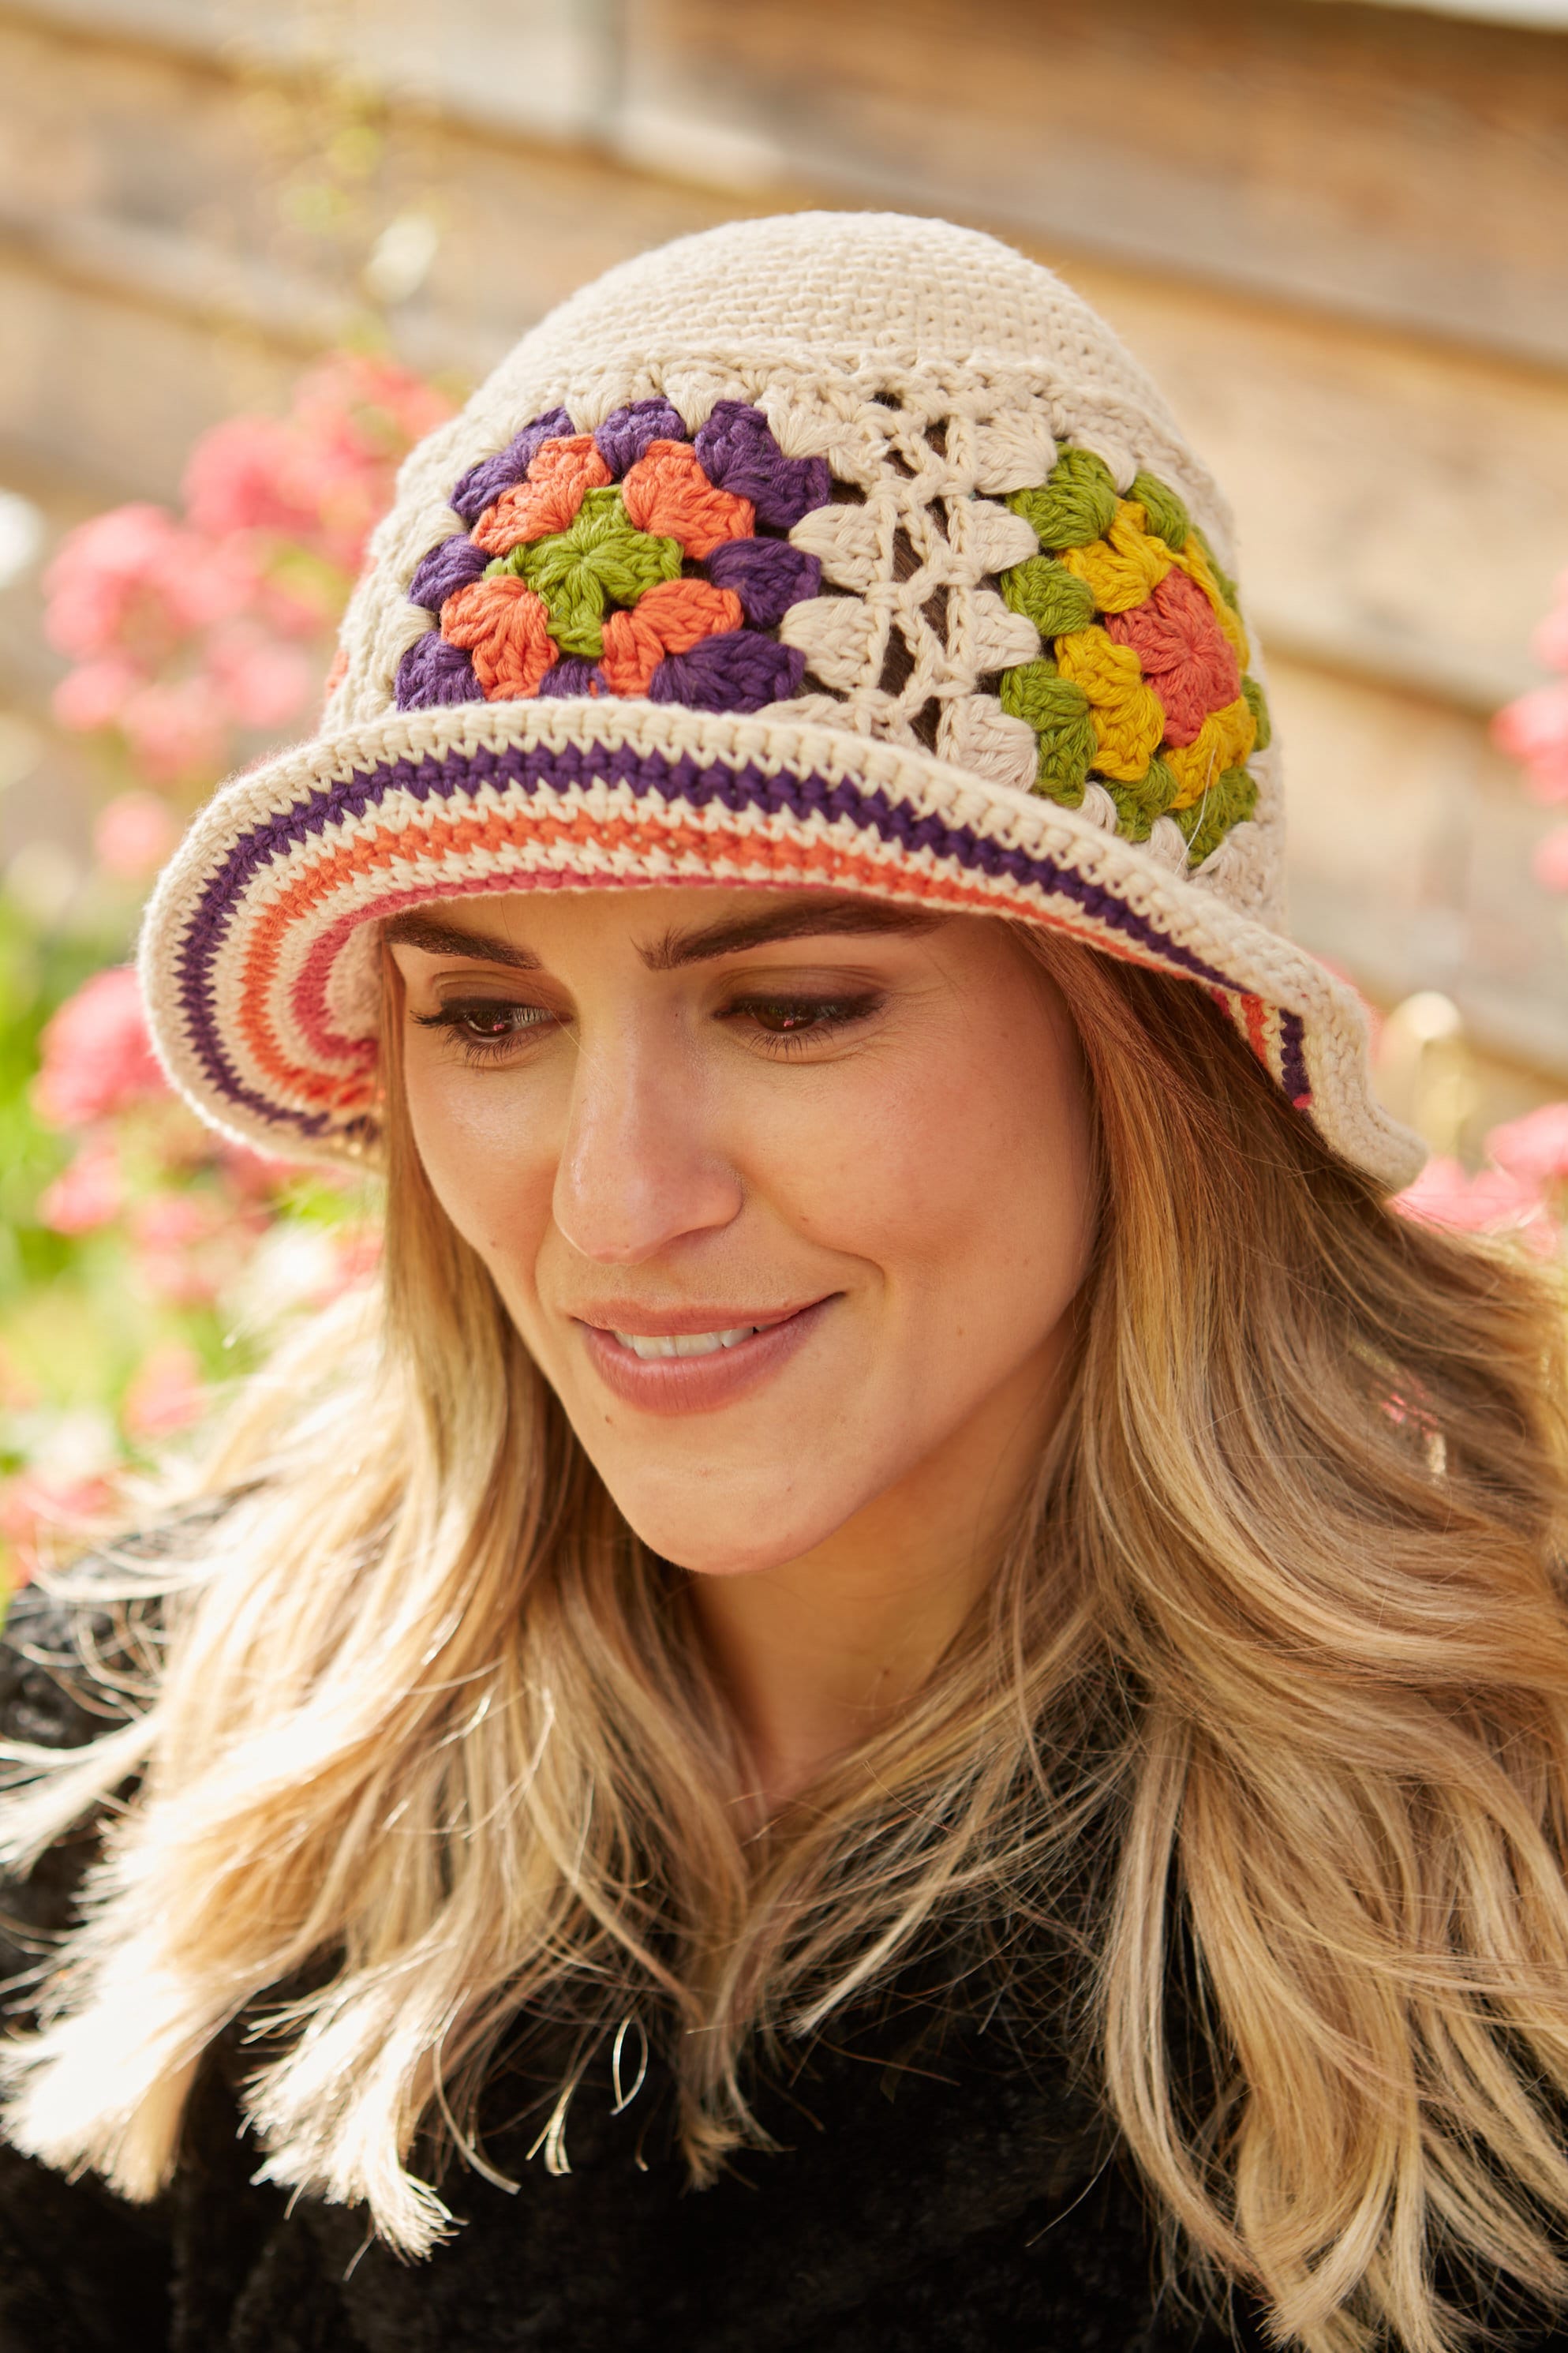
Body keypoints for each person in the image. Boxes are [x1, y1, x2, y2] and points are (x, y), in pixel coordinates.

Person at [2, 211, 1566, 2353]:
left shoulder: (1494, 1923)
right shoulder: (138, 1761)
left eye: (794, 1008)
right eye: (488, 1018)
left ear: (1135, 1045)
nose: (616, 1202)